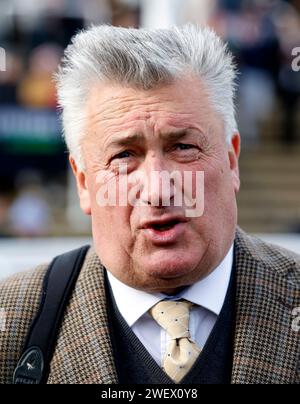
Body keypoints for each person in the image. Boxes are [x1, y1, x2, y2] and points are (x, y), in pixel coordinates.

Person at [0, 24, 299, 385]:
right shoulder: (12, 324)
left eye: (184, 147)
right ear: (83, 182)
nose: (158, 188)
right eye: (124, 155)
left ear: (232, 161)